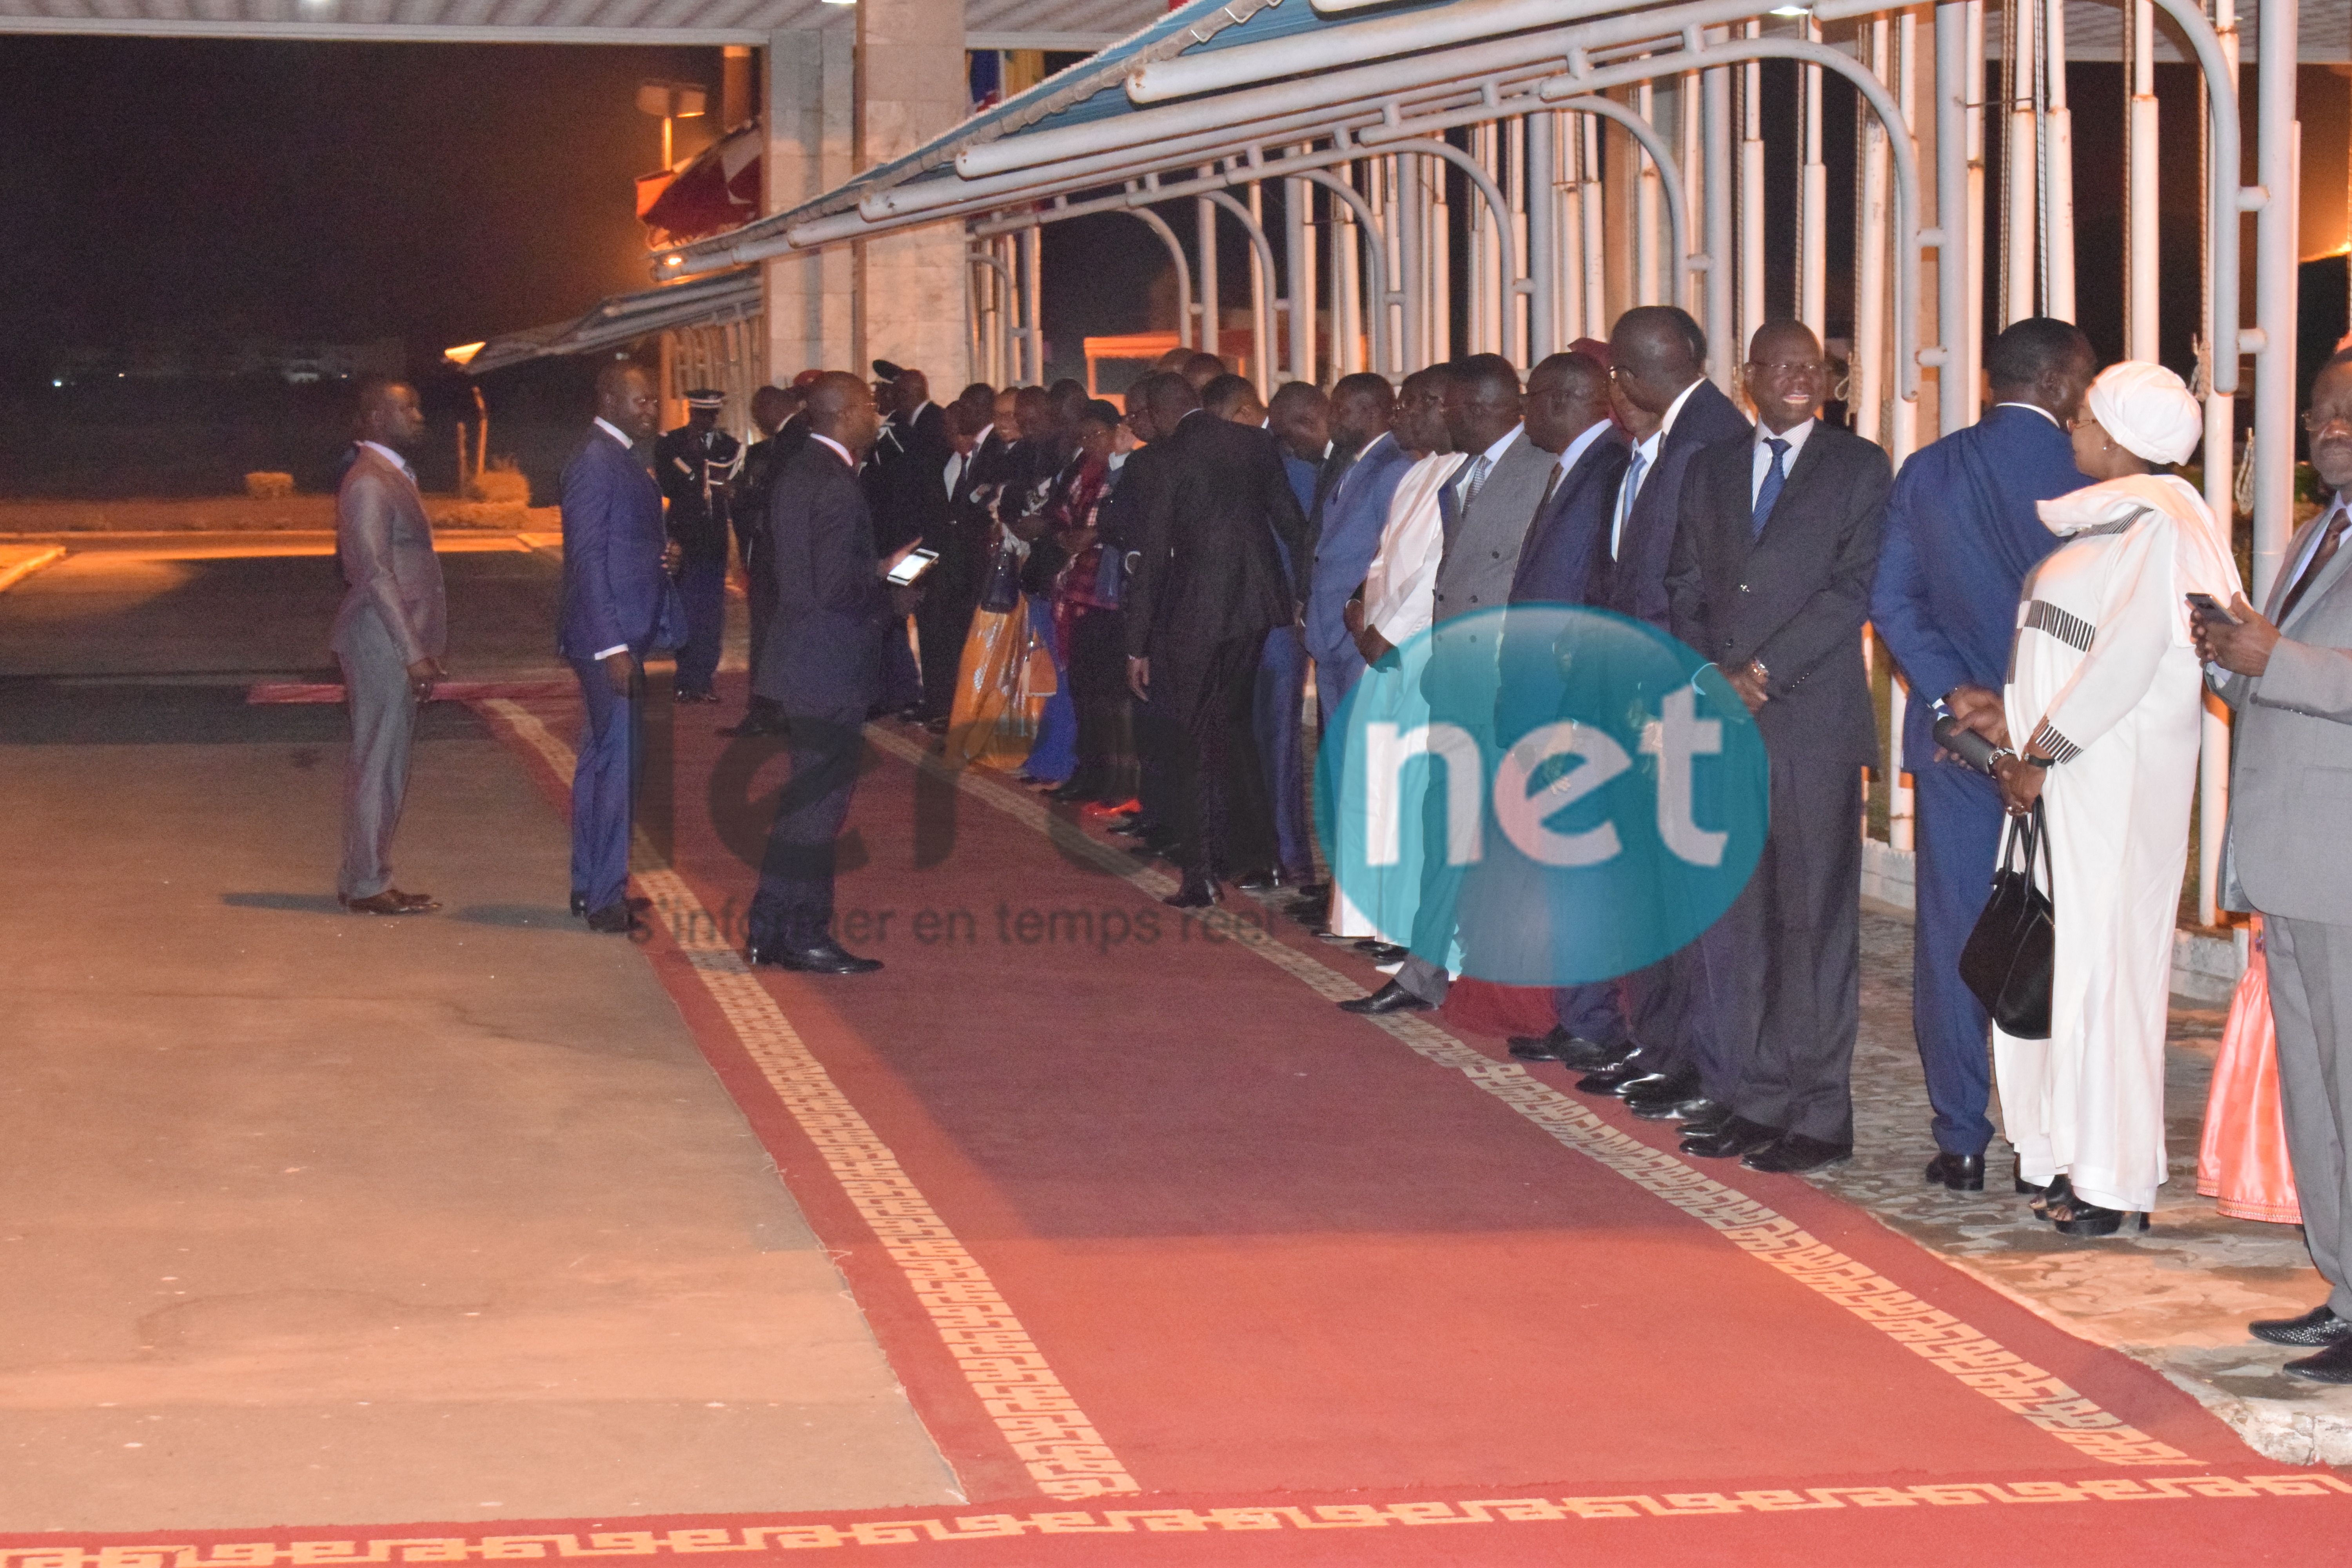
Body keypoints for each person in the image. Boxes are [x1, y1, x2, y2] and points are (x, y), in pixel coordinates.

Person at [1987, 361, 2241, 1230]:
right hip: (2062, 780)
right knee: (2062, 967)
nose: (2075, 432)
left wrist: (2044, 750)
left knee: (2106, 976)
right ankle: (2064, 1153)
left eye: (2087, 419)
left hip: (2106, 780)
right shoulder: (2119, 521)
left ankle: (2113, 1177)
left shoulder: (2163, 529)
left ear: (2121, 439)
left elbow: (2130, 659)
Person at [1869, 317, 2095, 1192]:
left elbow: (1892, 601)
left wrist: (1955, 700)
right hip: (2068, 750)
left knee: (1955, 938)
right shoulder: (2102, 477)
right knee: (2069, 939)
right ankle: (2059, 1148)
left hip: (1961, 750)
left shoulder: (1929, 469)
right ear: (2067, 387)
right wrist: (2027, 708)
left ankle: (1961, 1136)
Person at [1664, 321, 1891, 1172]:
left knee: (1813, 923)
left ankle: (1820, 1113)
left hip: (1810, 726)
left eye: (1815, 367)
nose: (1802, 377)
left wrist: (1760, 670)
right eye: (1784, 365)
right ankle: (1753, 1097)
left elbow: (1853, 587)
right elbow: (1683, 584)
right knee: (1741, 922)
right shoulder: (1711, 468)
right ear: (1747, 373)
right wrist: (1709, 676)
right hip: (1723, 721)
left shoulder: (1859, 465)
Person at [2200, 346, 2352, 1380]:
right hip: (2292, 857)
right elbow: (2274, 679)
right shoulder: (2312, 536)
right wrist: (2231, 654)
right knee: (2316, 1090)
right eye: (2316, 413)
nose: (2326, 426)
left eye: (2346, 410)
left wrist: (2275, 661)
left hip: (2341, 860)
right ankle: (2345, 1287)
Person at [1577, 305, 1753, 1104]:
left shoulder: (1713, 440)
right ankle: (1661, 1044)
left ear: (1635, 372)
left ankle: (1707, 1066)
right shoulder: (1654, 444)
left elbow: (1707, 589)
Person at [1341, 355, 1552, 1017]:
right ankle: (1424, 969)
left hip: (1500, 681)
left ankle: (1491, 972)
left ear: (1484, 408)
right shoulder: (1463, 472)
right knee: (1444, 825)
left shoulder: (1539, 471)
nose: (1440, 416)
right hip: (1454, 679)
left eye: (1451, 406)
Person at [1126, 370, 1308, 907]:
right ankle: (1265, 859)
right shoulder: (1253, 442)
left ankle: (1201, 874)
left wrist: (1136, 645)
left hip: (1195, 618)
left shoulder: (1164, 459)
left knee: (1194, 741)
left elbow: (1154, 557)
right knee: (1236, 733)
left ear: (1160, 413)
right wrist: (1302, 595)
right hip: (1256, 610)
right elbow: (1293, 525)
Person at [746, 371, 905, 976]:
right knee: (818, 809)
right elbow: (835, 585)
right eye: (867, 404)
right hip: (830, 662)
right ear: (842, 413)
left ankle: (771, 928)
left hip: (802, 660)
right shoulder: (836, 485)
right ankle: (804, 933)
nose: (875, 413)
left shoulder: (799, 470)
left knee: (805, 804)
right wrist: (890, 582)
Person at [1500, 348, 1633, 1069]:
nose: (1524, 412)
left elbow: (1591, 590)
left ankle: (1596, 1020)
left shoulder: (1609, 467)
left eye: (1530, 398)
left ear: (1561, 399)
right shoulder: (1578, 468)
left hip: (1573, 702)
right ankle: (1575, 1010)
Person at [1328, 367, 1458, 955]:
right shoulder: (1416, 474)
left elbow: (1439, 569)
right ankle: (1376, 915)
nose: (1401, 415)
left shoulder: (1464, 474)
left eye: (1413, 405)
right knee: (1374, 786)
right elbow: (1383, 560)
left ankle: (1409, 926)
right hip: (1379, 644)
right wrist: (1362, 609)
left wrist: (1389, 632)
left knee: (1410, 794)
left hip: (1422, 648)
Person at [558, 361, 685, 934]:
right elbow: (586, 559)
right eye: (641, 401)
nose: (651, 410)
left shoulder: (620, 456)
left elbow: (621, 540)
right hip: (609, 638)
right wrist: (612, 647)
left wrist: (662, 555)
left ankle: (593, 884)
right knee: (618, 769)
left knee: (602, 763)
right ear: (609, 399)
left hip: (624, 630)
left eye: (652, 401)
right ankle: (605, 897)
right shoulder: (595, 460)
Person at [330, 377, 445, 916]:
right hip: (383, 641)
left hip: (394, 639)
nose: (419, 416)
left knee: (385, 762)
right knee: (379, 762)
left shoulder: (391, 476)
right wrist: (412, 650)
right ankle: (369, 884)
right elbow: (373, 573)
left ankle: (364, 876)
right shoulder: (369, 483)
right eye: (408, 407)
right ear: (376, 418)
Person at [1253, 380, 1328, 890]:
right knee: (1278, 743)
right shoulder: (1306, 474)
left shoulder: (1256, 469)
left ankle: (1279, 852)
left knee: (1268, 742)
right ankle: (1287, 855)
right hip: (1284, 620)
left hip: (1264, 620)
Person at [1045, 400, 1134, 806]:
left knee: (1111, 695)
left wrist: (1094, 535)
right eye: (1083, 436)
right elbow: (1058, 516)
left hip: (1109, 594)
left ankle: (1120, 779)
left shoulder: (1127, 469)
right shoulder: (1078, 474)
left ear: (1117, 432)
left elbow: (1122, 522)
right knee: (1084, 690)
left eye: (1095, 434)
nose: (1088, 443)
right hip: (1077, 588)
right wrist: (1065, 536)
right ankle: (1091, 771)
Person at [721, 384, 804, 739]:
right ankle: (774, 708)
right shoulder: (779, 445)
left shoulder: (793, 442)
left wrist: (744, 497)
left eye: (758, 414)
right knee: (774, 635)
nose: (757, 421)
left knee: (770, 635)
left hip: (778, 559)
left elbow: (772, 501)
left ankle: (768, 710)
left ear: (772, 409)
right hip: (776, 558)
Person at [653, 388, 741, 704]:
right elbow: (667, 483)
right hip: (683, 537)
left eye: (711, 416)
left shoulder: (729, 447)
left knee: (711, 614)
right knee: (685, 610)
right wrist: (691, 463)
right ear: (691, 413)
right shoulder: (670, 444)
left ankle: (703, 679)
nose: (706, 421)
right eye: (700, 414)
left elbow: (730, 489)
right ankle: (685, 678)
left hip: (713, 541)